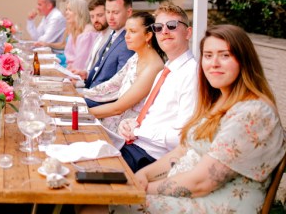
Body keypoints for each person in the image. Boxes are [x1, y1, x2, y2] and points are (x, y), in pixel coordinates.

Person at [113, 25, 286, 213]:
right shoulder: (218, 102)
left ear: (244, 60)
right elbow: (182, 151)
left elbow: (202, 182)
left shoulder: (253, 112)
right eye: (208, 55)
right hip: (185, 198)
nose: (214, 63)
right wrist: (143, 175)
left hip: (211, 206)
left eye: (225, 55)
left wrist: (144, 189)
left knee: (103, 203)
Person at [118, 3, 198, 173]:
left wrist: (139, 130)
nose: (165, 32)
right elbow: (153, 117)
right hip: (133, 147)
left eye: (172, 26)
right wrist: (129, 124)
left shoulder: (193, 74)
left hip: (153, 160)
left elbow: (182, 137)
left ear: (188, 33)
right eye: (158, 27)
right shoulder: (166, 70)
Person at [84, 12, 165, 132]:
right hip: (113, 120)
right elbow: (111, 85)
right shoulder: (136, 57)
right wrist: (79, 94)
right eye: (126, 31)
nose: (126, 36)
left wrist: (80, 113)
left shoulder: (153, 67)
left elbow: (118, 108)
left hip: (127, 131)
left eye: (132, 31)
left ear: (148, 36)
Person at [84, 0, 135, 106]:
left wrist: (84, 95)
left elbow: (119, 86)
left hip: (102, 103)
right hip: (90, 93)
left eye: (115, 12)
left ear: (129, 12)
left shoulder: (129, 41)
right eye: (107, 12)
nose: (110, 17)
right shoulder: (114, 33)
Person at [71, 0, 113, 86]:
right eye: (92, 16)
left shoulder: (112, 37)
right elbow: (91, 69)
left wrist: (80, 83)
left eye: (100, 15)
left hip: (94, 90)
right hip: (86, 83)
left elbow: (105, 76)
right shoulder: (98, 37)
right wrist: (84, 73)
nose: (95, 20)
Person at [59, 0, 96, 71]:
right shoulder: (74, 30)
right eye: (66, 9)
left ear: (79, 12)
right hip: (72, 71)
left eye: (70, 10)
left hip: (81, 75)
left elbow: (81, 64)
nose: (66, 12)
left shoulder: (88, 32)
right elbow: (69, 58)